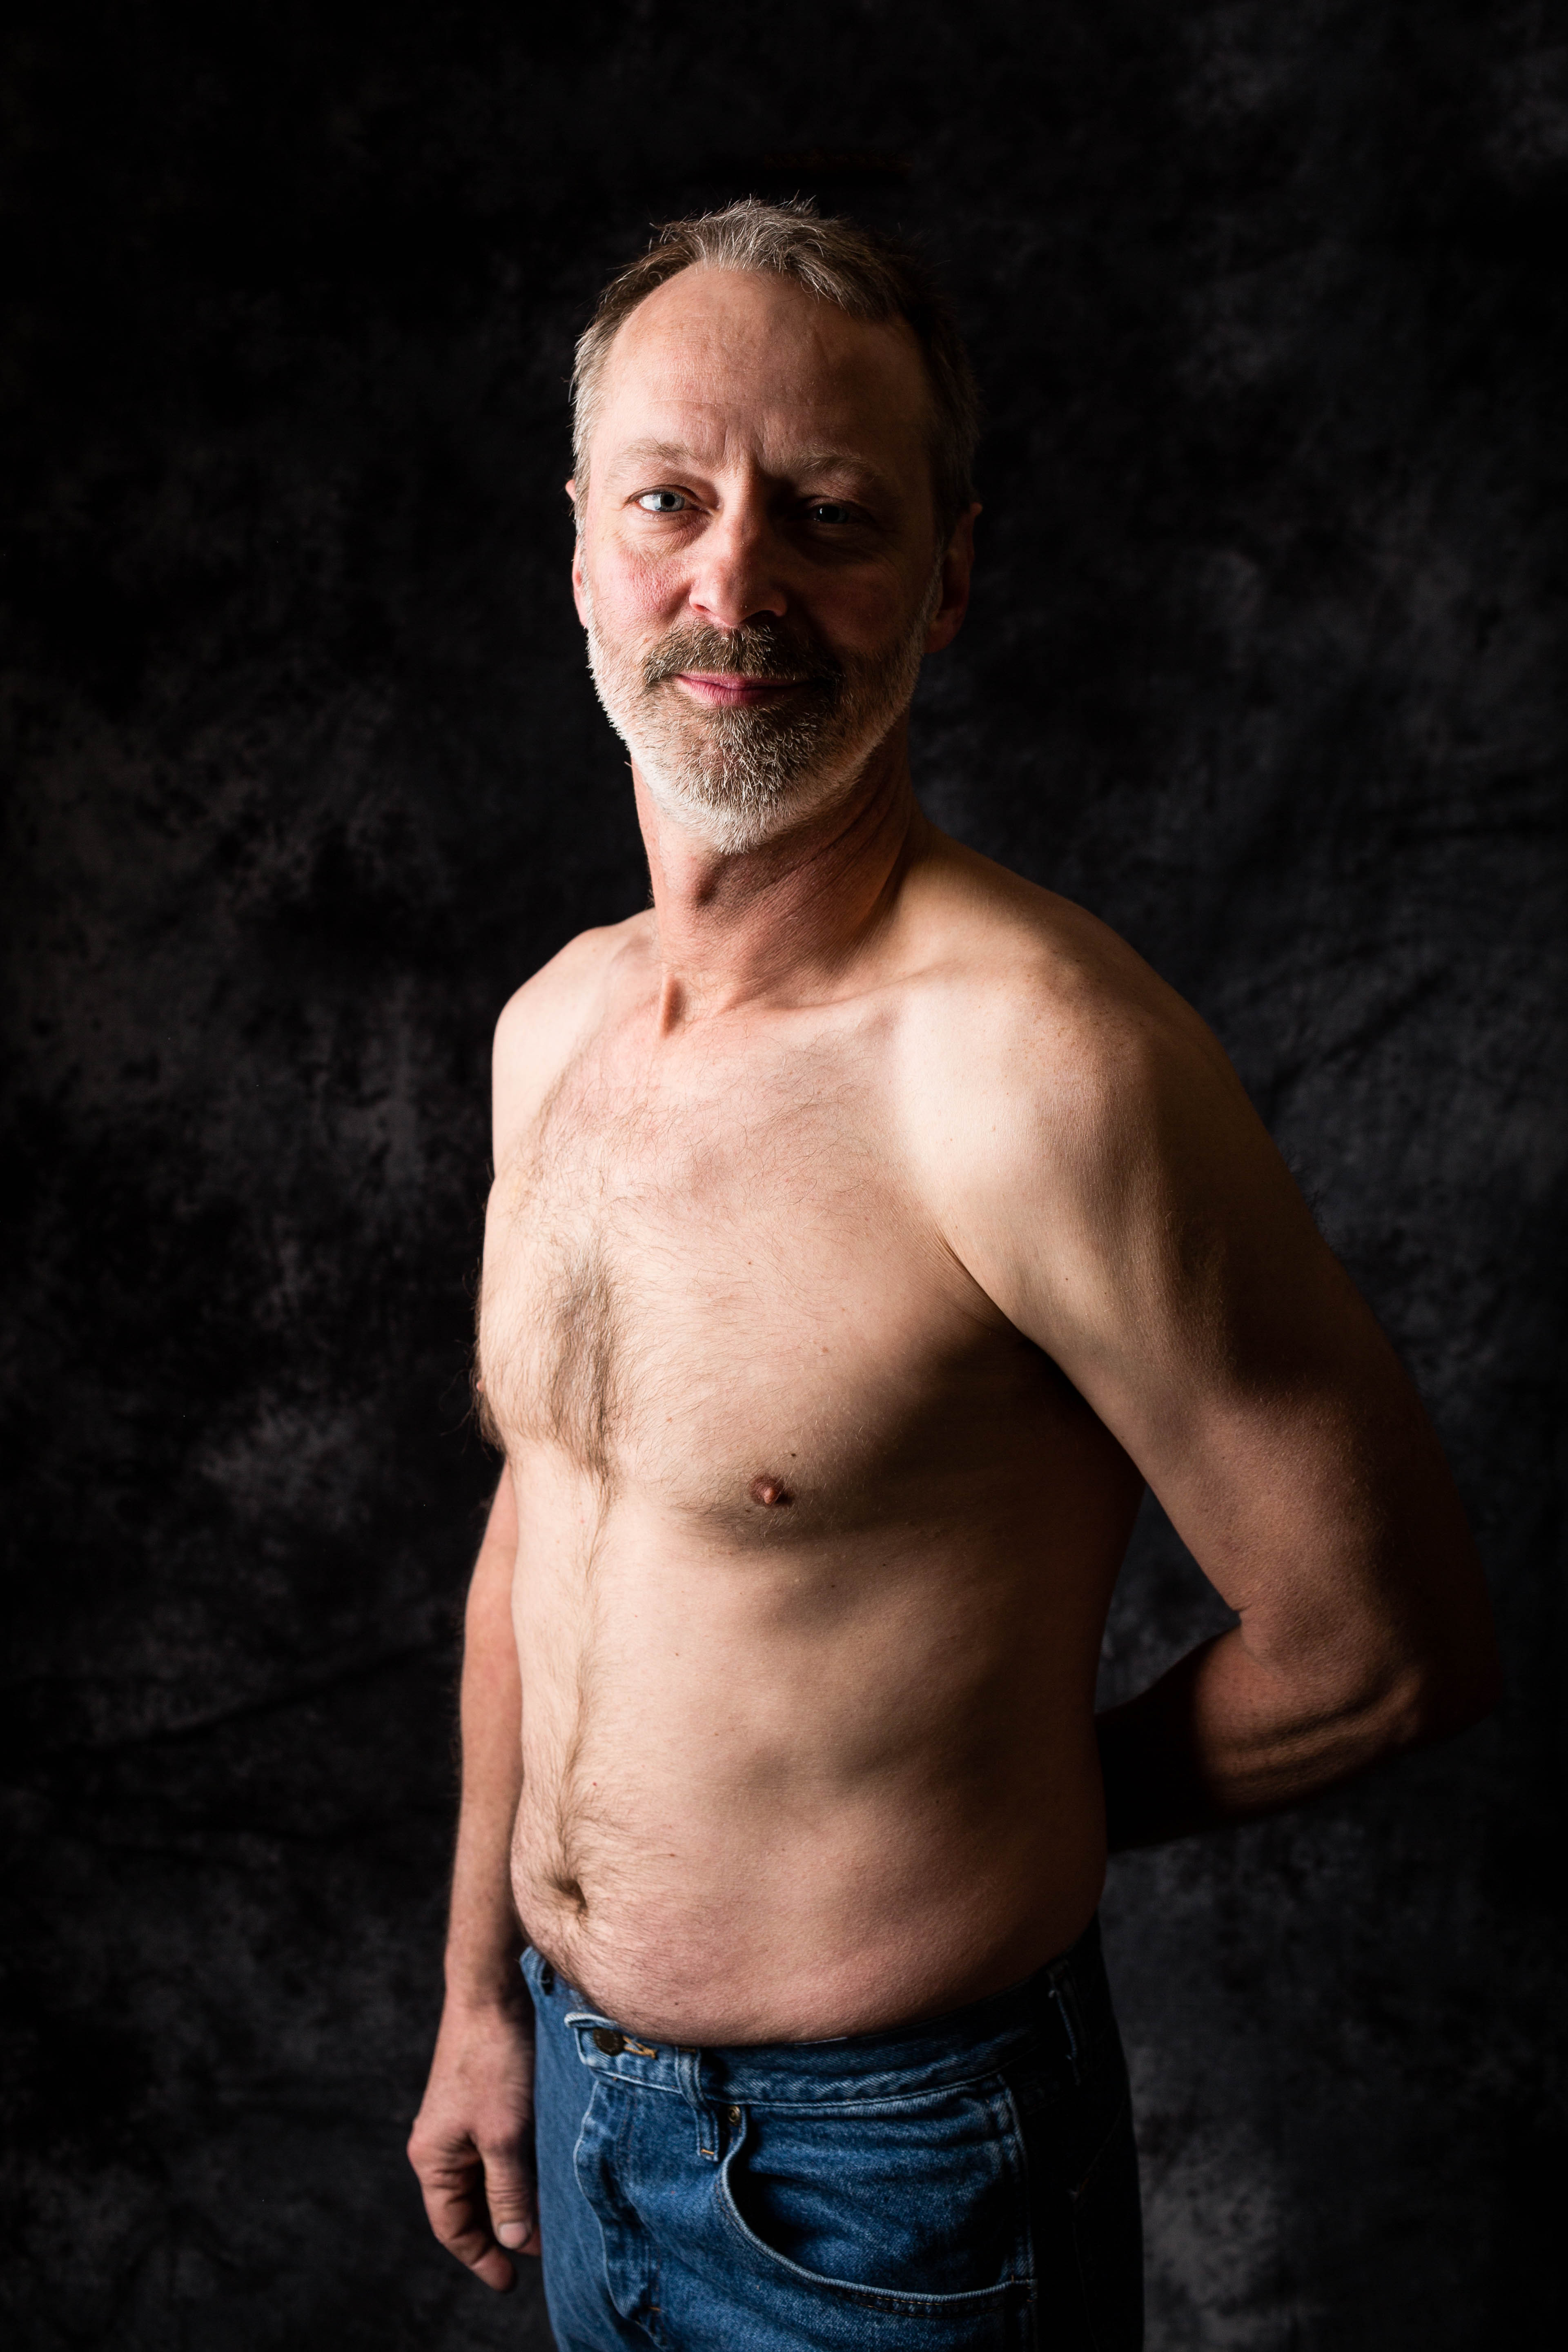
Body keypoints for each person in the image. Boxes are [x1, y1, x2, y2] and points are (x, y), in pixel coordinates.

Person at [407, 199, 1498, 2351]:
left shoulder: (1042, 1071)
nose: (737, 585)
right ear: (583, 552)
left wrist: (1004, 1806)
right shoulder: (555, 1029)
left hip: (890, 2191)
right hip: (583, 2110)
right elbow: (552, 1511)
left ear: (951, 575)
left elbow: (1385, 1653)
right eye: (670, 501)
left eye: (829, 514)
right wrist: (474, 1995)